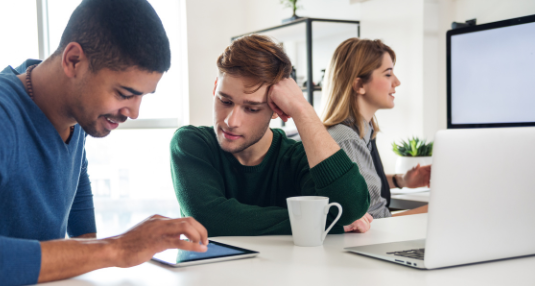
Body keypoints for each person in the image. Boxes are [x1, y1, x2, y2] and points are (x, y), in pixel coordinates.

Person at [0, 0, 208, 286]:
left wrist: (94, 244)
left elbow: (74, 184)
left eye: (142, 96)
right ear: (74, 61)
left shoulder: (76, 114)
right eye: (125, 94)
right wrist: (116, 248)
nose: (134, 112)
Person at [170, 34, 372, 237]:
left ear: (277, 108)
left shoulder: (297, 157)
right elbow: (207, 219)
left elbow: (349, 210)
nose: (231, 121)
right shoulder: (191, 144)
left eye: (251, 109)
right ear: (215, 89)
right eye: (225, 101)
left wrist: (303, 110)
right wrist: (315, 221)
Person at [320, 38, 430, 219]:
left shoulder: (362, 131)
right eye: (388, 74)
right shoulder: (346, 139)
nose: (397, 82)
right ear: (359, 85)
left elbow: (360, 185)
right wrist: (441, 208)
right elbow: (375, 221)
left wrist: (400, 180)